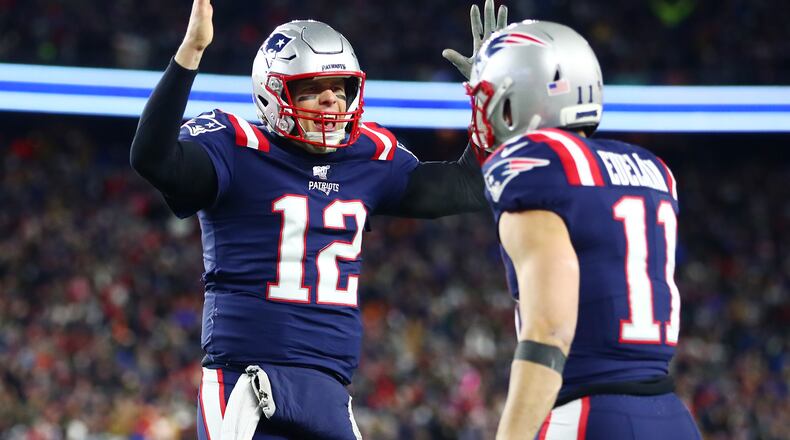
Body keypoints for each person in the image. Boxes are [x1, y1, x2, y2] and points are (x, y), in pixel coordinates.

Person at [129, 0, 507, 438]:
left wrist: (491, 102)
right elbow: (152, 158)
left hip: (329, 391)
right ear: (272, 94)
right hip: (244, 385)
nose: (331, 99)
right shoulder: (237, 147)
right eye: (312, 88)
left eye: (340, 88)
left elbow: (470, 185)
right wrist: (190, 53)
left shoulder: (369, 156)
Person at [467, 20, 703, 439]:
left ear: (522, 99)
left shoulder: (536, 167)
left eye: (490, 99)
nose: (482, 114)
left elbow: (550, 330)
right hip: (672, 415)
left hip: (589, 415)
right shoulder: (651, 169)